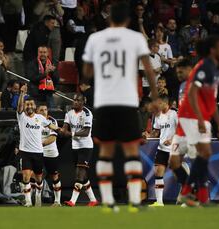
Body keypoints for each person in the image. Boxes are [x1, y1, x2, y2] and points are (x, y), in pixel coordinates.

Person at [82, 2, 158, 213]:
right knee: (131, 151)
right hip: (126, 101)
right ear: (127, 20)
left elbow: (87, 71)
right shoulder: (135, 38)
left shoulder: (95, 39)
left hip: (104, 101)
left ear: (109, 18)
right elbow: (149, 70)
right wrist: (155, 96)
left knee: (105, 152)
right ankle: (134, 202)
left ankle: (107, 202)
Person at [178, 35, 219, 206]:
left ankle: (201, 197)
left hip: (201, 116)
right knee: (204, 153)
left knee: (204, 156)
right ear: (213, 50)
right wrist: (200, 119)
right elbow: (192, 93)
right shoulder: (204, 66)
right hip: (191, 115)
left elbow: (211, 102)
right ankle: (188, 193)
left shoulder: (215, 70)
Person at [16, 84, 58, 207]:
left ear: (34, 106)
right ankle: (28, 201)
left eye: (31, 104)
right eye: (27, 104)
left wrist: (61, 129)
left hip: (38, 152)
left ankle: (38, 195)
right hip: (25, 152)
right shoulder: (22, 117)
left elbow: (51, 126)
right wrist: (22, 94)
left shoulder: (40, 118)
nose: (29, 106)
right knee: (26, 176)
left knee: (39, 179)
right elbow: (19, 107)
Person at [59, 93, 98, 207]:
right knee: (83, 176)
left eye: (77, 100)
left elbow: (85, 132)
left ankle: (72, 201)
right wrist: (61, 131)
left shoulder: (87, 113)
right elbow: (64, 129)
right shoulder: (69, 113)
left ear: (83, 102)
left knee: (79, 175)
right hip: (75, 147)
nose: (75, 102)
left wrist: (70, 133)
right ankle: (93, 200)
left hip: (85, 147)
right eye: (74, 100)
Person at [168, 58, 195, 204]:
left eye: (180, 71)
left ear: (189, 69)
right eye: (177, 72)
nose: (178, 74)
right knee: (173, 162)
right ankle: (188, 191)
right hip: (182, 129)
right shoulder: (183, 85)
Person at [148, 95, 177, 207]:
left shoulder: (174, 113)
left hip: (175, 148)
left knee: (178, 174)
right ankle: (159, 202)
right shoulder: (158, 116)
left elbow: (182, 129)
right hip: (162, 148)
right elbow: (156, 131)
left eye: (160, 104)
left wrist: (172, 139)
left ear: (166, 103)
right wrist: (149, 136)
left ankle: (189, 197)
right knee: (158, 172)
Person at [37, 103, 62, 206]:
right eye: (41, 110)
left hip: (51, 153)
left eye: (45, 109)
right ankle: (37, 201)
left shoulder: (52, 121)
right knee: (37, 176)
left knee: (54, 176)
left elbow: (52, 138)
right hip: (38, 152)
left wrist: (39, 144)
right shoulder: (34, 120)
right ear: (37, 111)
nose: (44, 112)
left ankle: (57, 202)